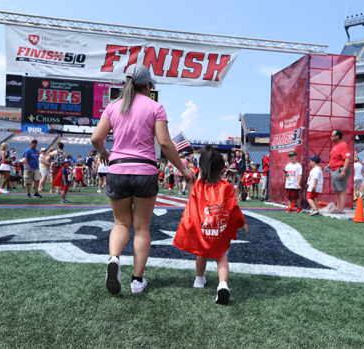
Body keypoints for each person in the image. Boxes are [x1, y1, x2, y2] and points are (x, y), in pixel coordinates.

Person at [91, 63, 195, 295]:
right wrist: (184, 170)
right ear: (147, 85)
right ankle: (137, 280)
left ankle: (114, 259)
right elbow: (166, 144)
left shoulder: (113, 106)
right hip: (145, 172)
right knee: (141, 228)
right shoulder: (156, 107)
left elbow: (96, 138)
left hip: (117, 170)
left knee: (120, 224)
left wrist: (106, 155)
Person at [173, 145, 249, 304]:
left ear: (202, 169)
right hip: (220, 232)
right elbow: (234, 208)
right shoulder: (227, 187)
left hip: (203, 231)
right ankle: (222, 285)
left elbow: (191, 206)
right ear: (222, 170)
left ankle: (199, 279)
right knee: (222, 258)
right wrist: (243, 223)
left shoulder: (198, 186)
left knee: (201, 254)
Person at [324, 129, 351, 214]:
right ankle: (338, 207)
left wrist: (343, 171)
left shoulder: (343, 145)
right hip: (335, 169)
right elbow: (335, 159)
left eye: (332, 135)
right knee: (337, 190)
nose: (330, 137)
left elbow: (347, 159)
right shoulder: (336, 146)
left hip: (339, 169)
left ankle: (340, 209)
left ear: (337, 136)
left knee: (341, 190)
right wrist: (328, 165)